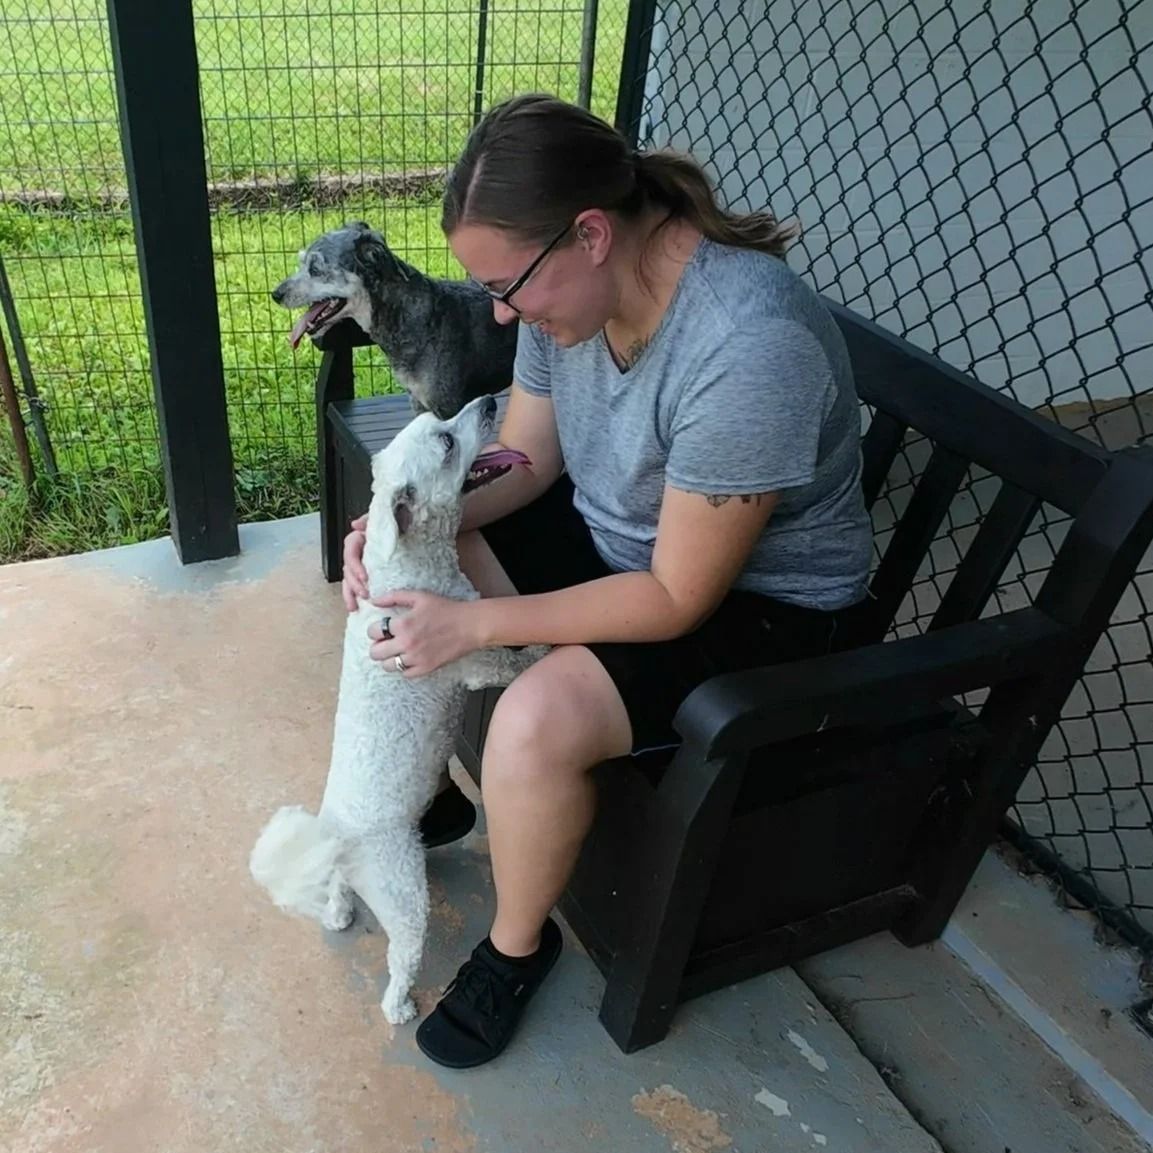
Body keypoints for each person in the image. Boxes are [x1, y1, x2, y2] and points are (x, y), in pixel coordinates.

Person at [340, 92, 872, 1068]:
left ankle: (514, 947)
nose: (501, 313)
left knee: (536, 718)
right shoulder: (570, 296)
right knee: (417, 561)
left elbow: (676, 597)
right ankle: (430, 786)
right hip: (627, 541)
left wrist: (485, 624)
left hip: (767, 610)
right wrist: (414, 522)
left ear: (589, 233)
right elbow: (528, 457)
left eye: (510, 286)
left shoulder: (747, 347)